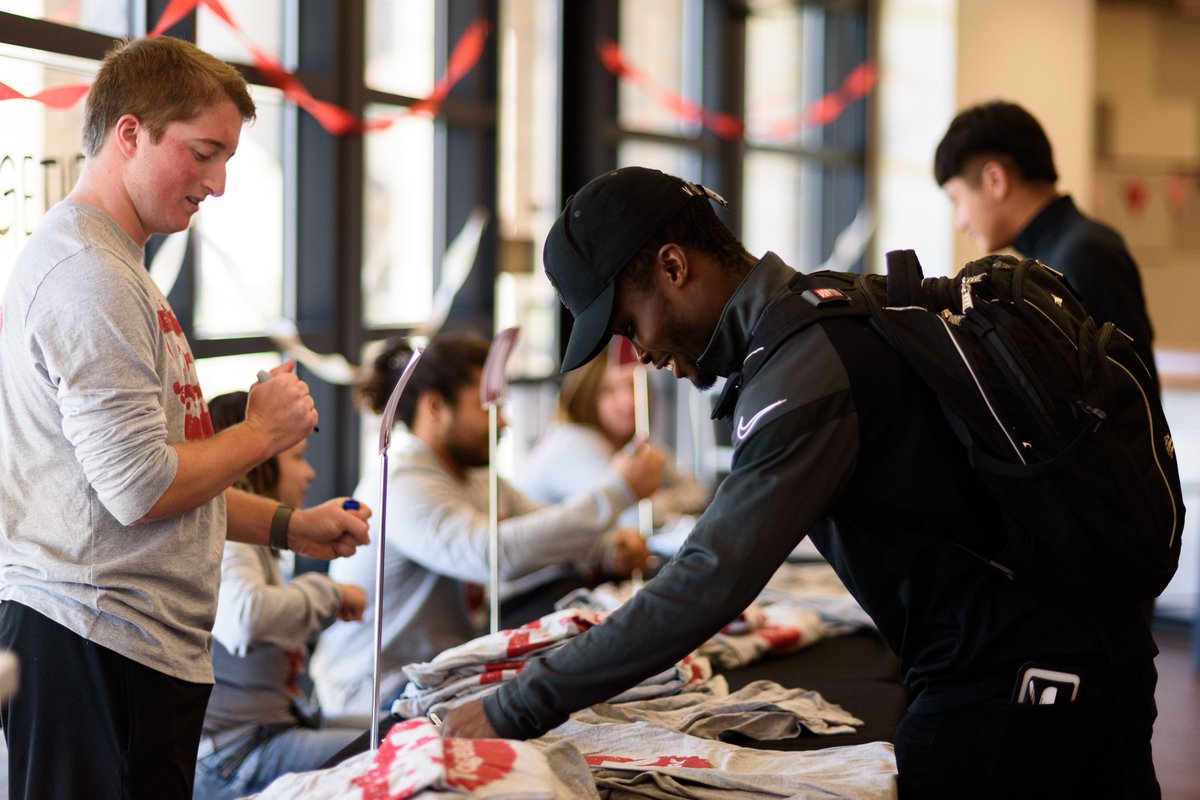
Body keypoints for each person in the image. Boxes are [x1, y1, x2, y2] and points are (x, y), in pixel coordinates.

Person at [440, 167, 1161, 799]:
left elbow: (710, 578)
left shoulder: (804, 368)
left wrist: (516, 706)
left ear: (673, 265)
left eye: (629, 323)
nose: (642, 352)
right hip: (1068, 653)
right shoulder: (821, 312)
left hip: (1016, 679)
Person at [0, 37, 370, 800]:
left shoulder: (117, 266)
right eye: (204, 153)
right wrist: (260, 434)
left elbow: (148, 477)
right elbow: (140, 490)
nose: (220, 183)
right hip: (90, 639)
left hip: (127, 644)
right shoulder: (89, 276)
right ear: (129, 133)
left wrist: (287, 528)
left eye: (227, 157)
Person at [309, 330, 664, 719]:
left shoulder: (474, 475)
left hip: (441, 670)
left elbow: (540, 523)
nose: (503, 420)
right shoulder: (401, 481)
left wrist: (606, 549)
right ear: (434, 408)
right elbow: (492, 554)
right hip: (378, 691)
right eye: (487, 406)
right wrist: (616, 492)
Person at [192, 392, 368, 800]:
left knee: (402, 731)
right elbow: (246, 619)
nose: (309, 473)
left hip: (274, 728)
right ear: (259, 463)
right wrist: (330, 593)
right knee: (392, 748)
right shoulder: (230, 542)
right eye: (297, 457)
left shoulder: (253, 547)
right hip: (236, 753)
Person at [935, 100, 1158, 389]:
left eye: (957, 200)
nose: (960, 222)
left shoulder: (1085, 254)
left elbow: (1129, 392)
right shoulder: (1056, 255)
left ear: (994, 179)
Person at [519, 341, 710, 529]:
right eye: (609, 390)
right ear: (587, 394)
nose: (627, 401)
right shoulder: (572, 441)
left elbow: (699, 492)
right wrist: (670, 500)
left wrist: (662, 501)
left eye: (633, 386)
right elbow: (631, 518)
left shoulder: (633, 441)